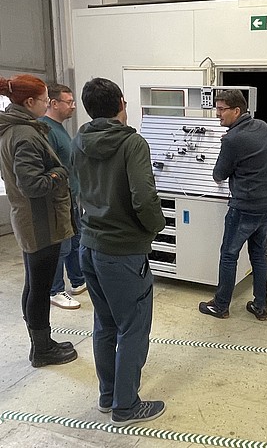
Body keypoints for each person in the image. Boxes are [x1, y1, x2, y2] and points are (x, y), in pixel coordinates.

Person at [71, 77, 166, 426]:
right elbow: (143, 195)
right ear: (122, 104)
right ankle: (126, 407)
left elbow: (75, 186)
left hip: (89, 245)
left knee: (104, 323)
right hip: (123, 252)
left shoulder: (79, 140)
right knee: (132, 327)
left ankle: (108, 396)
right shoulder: (132, 143)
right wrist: (155, 227)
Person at [0, 74, 77, 368]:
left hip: (31, 219)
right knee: (40, 287)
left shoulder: (15, 129)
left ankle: (41, 343)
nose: (48, 104)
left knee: (34, 284)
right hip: (40, 220)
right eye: (45, 100)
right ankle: (42, 349)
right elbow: (33, 185)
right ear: (29, 102)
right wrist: (59, 174)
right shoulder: (25, 135)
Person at [199, 89, 267, 321]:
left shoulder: (232, 139)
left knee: (228, 255)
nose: (217, 114)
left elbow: (218, 174)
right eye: (217, 108)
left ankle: (221, 305)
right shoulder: (263, 126)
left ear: (237, 110)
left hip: (244, 208)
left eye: (222, 109)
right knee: (259, 254)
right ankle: (260, 307)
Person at [40, 83, 85, 310]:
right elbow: (49, 169)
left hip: (71, 197)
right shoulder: (45, 129)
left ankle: (77, 281)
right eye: (69, 102)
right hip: (58, 201)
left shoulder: (59, 127)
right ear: (53, 103)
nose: (73, 106)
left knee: (76, 241)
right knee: (62, 247)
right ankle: (55, 290)